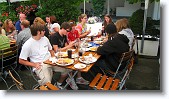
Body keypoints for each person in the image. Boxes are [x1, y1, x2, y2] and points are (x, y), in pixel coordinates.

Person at [19, 23, 70, 89]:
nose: (45, 31)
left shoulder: (45, 38)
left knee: (66, 69)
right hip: (40, 65)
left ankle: (58, 84)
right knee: (47, 81)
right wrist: (34, 65)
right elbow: (21, 60)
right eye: (43, 30)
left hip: (50, 61)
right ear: (38, 32)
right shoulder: (28, 44)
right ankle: (45, 89)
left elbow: (51, 50)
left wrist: (53, 57)